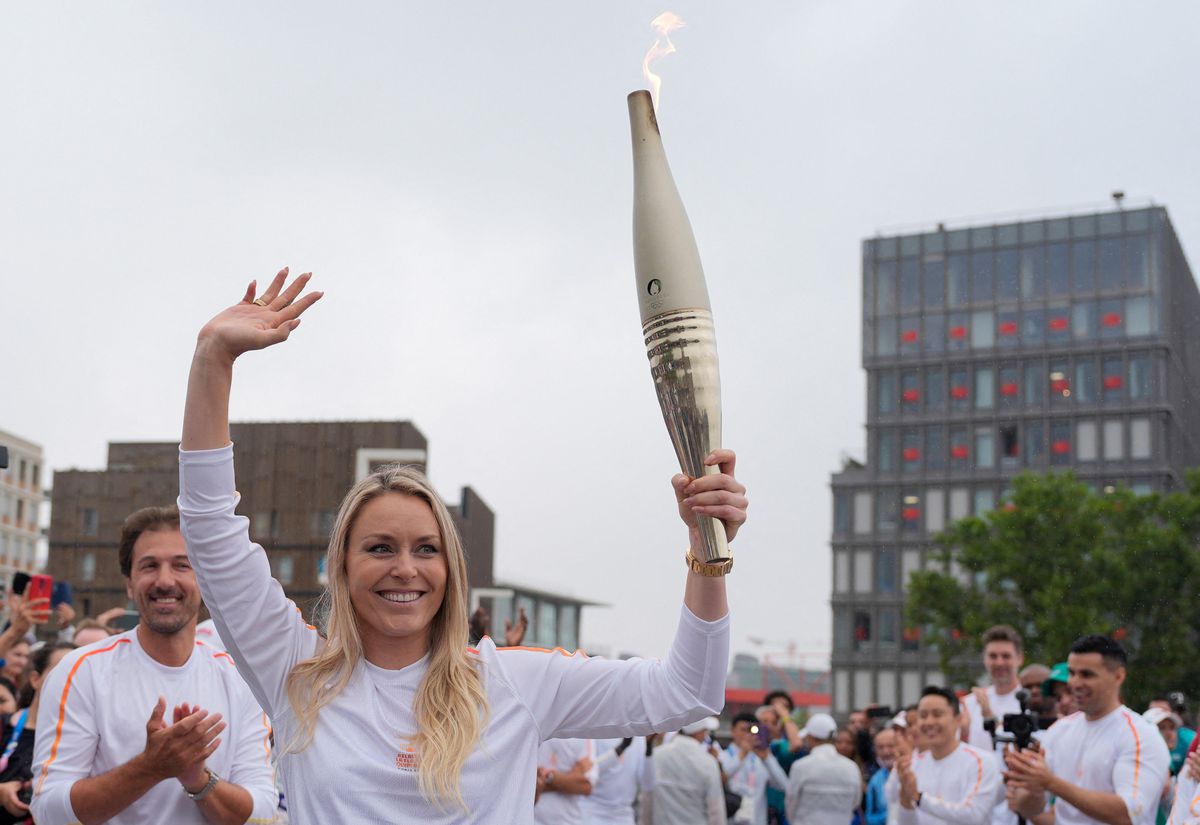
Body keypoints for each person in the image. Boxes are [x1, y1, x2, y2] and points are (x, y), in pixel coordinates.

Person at [176, 269, 745, 823]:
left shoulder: (513, 684)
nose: (405, 569)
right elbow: (210, 530)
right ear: (341, 568)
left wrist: (706, 552)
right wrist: (213, 359)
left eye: (426, 549)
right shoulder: (294, 672)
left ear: (451, 568)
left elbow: (687, 692)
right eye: (378, 549)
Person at [30, 505, 279, 825]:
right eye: (149, 566)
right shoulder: (80, 672)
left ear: (204, 579)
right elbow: (49, 811)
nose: (165, 581)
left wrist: (198, 780)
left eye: (181, 565)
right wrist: (151, 767)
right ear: (130, 585)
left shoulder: (240, 680)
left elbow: (262, 812)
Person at [1005, 635, 1170, 825]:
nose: (1075, 683)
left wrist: (1050, 782)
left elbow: (1128, 814)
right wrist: (1028, 784)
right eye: (1072, 673)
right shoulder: (1059, 731)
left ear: (1118, 676)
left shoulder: (1141, 734)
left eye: (1087, 674)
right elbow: (1031, 809)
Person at [888, 686, 1001, 825]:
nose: (929, 722)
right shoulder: (913, 764)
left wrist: (919, 798)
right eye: (923, 716)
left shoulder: (981, 761)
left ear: (958, 719)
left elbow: (974, 815)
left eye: (937, 714)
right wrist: (906, 799)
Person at [0, 643, 74, 824]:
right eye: (63, 672)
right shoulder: (3, 725)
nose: (72, 681)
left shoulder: (81, 742)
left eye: (80, 675)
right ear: (35, 680)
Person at [785, 712, 862, 825]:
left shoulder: (801, 766)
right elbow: (855, 802)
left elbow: (791, 804)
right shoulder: (851, 767)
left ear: (810, 737)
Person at [651, 717, 726, 825]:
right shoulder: (708, 762)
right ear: (698, 731)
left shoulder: (657, 755)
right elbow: (716, 811)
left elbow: (647, 798)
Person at [722, 712, 788, 825]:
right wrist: (743, 754)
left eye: (751, 731)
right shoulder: (722, 755)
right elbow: (722, 778)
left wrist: (767, 758)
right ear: (732, 730)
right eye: (743, 730)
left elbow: (783, 785)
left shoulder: (762, 759)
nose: (747, 735)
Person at [578, 736, 653, 825]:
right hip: (592, 812)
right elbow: (587, 773)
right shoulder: (594, 732)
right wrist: (620, 749)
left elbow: (648, 784)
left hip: (624, 815)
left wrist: (648, 746)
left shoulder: (639, 738)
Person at [534, 738, 596, 824]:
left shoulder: (584, 735)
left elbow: (586, 786)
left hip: (568, 821)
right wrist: (569, 779)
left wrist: (549, 777)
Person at [864, 728, 897, 825]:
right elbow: (869, 818)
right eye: (880, 747)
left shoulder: (913, 770)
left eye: (890, 746)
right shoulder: (875, 780)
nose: (886, 752)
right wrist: (893, 814)